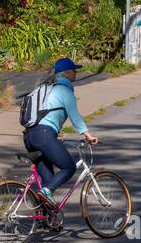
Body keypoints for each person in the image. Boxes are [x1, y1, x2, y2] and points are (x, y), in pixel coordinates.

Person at [23, 57, 97, 205]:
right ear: (67, 73)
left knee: (49, 181)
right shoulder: (64, 90)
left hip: (29, 136)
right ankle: (46, 192)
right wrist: (87, 134)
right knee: (68, 167)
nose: (76, 73)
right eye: (74, 70)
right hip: (44, 136)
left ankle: (45, 219)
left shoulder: (45, 88)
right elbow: (75, 116)